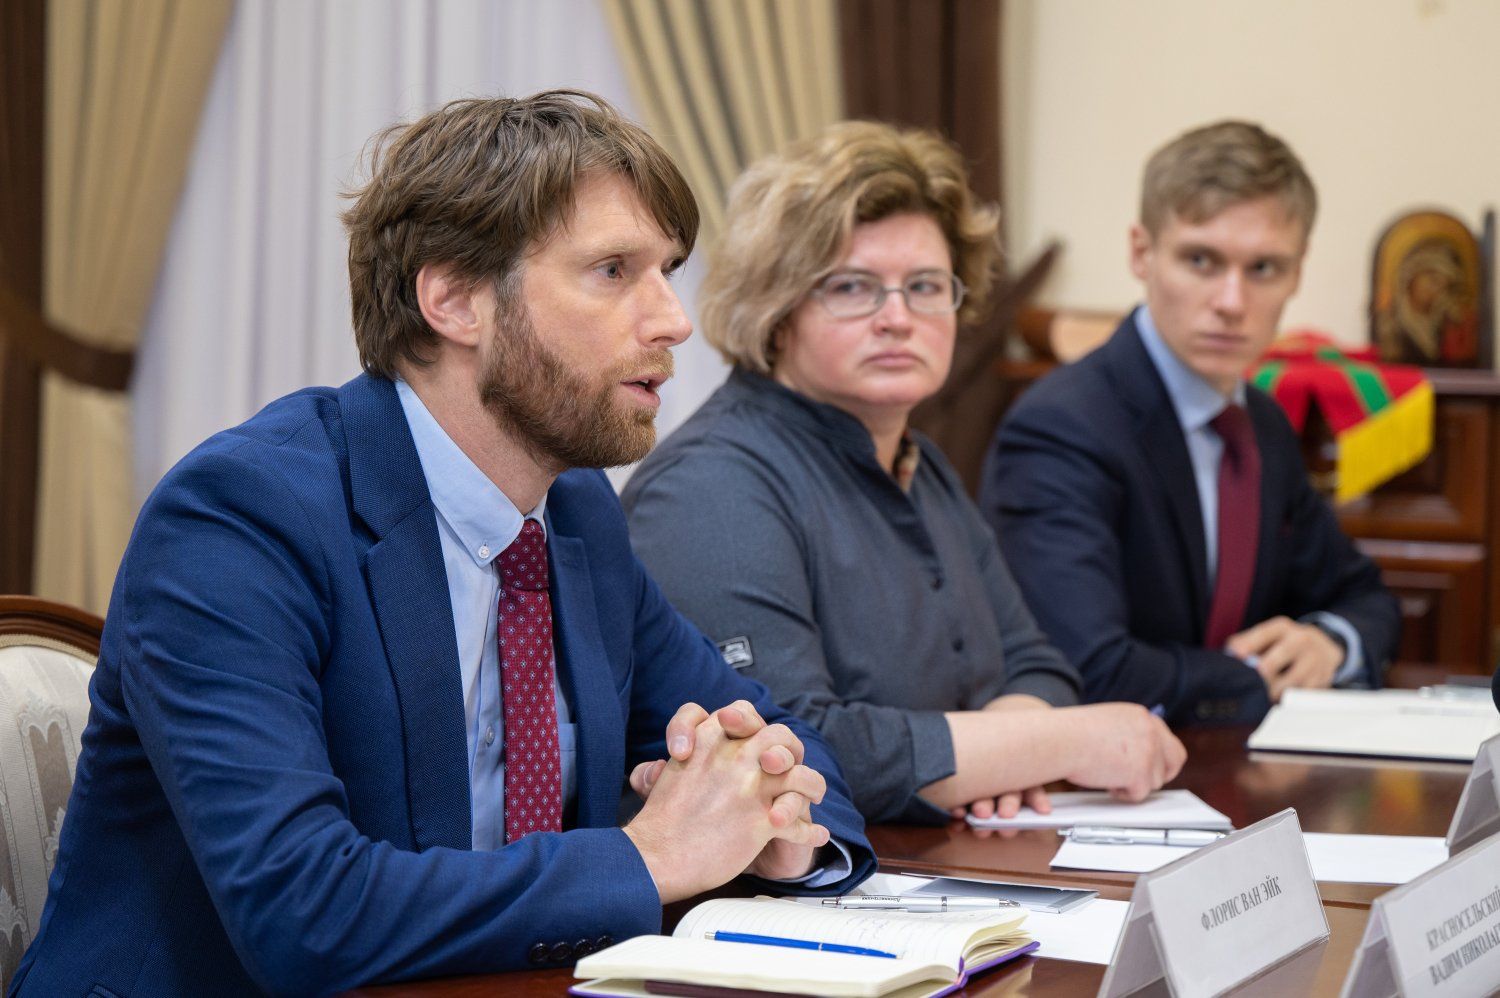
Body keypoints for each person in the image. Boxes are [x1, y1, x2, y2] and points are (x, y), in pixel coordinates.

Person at [14, 91, 874, 996]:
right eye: (614, 270)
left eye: (668, 271)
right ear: (455, 300)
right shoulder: (239, 519)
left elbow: (781, 744)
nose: (673, 321)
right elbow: (304, 912)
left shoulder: (575, 513)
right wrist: (652, 857)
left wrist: (776, 829)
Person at [622, 121, 1185, 827]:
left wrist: (1009, 752)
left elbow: (1037, 662)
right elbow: (781, 752)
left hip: (959, 860)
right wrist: (1053, 744)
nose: (898, 317)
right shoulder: (708, 486)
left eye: (924, 286)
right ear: (777, 310)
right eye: (852, 287)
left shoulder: (921, 461)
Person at [981, 120, 1401, 727]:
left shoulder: (1262, 424)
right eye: (1201, 260)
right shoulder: (1059, 427)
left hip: (1238, 767)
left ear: (1297, 273)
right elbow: (1090, 668)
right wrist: (1262, 678)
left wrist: (1330, 644)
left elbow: (1365, 596)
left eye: (1263, 268)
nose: (1231, 302)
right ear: (1141, 252)